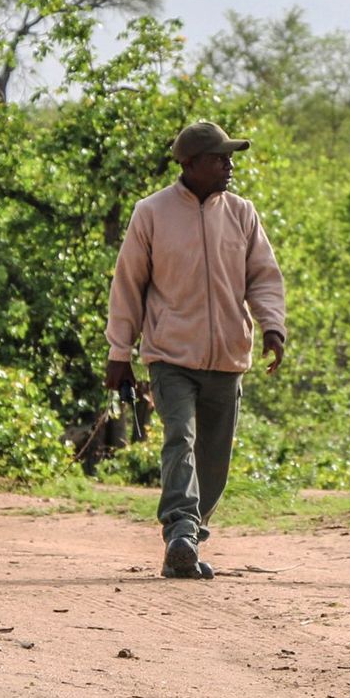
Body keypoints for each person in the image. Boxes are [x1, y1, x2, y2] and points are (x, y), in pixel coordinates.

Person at [105, 121, 287, 579]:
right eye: (219, 158)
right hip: (170, 356)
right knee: (179, 439)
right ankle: (181, 530)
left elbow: (263, 276)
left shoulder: (242, 213)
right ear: (189, 164)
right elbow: (128, 285)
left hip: (228, 357)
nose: (228, 165)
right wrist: (119, 352)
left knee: (214, 459)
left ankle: (187, 542)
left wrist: (272, 327)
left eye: (230, 157)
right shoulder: (151, 213)